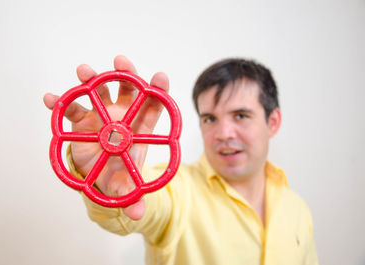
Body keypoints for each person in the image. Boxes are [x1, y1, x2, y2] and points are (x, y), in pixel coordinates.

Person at [43, 55, 318, 265]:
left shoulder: (297, 209)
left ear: (273, 122)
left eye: (241, 116)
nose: (223, 133)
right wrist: (110, 174)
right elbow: (142, 209)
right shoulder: (176, 191)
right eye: (210, 118)